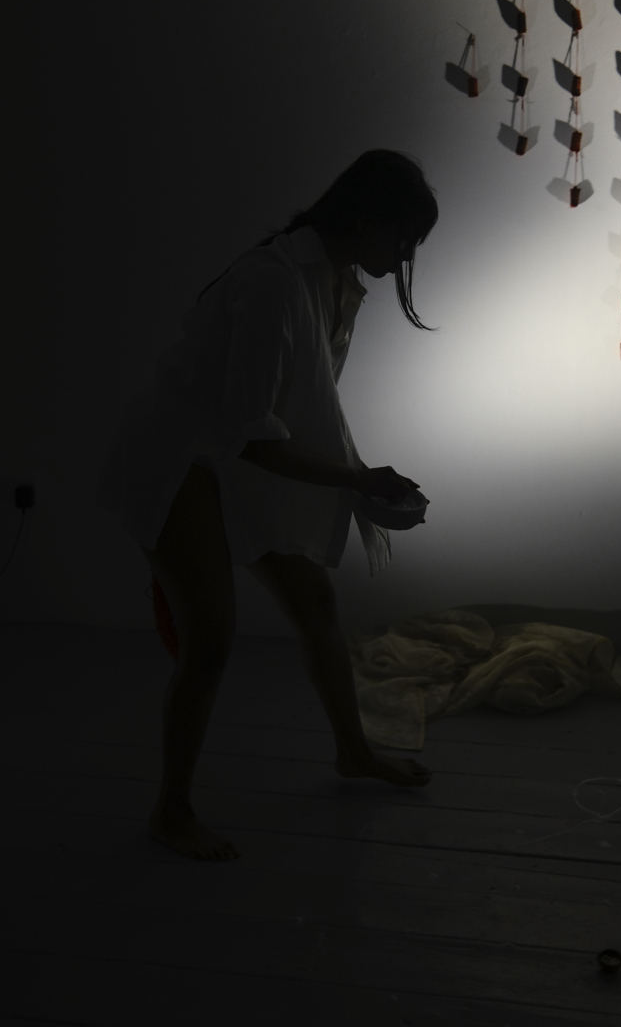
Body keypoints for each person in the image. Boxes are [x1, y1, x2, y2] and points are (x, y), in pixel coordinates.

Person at [95, 149, 439, 861]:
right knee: (211, 636)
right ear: (368, 219)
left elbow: (298, 408)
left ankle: (352, 751)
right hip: (178, 457)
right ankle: (171, 811)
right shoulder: (276, 284)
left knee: (314, 603)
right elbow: (251, 435)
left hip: (228, 454)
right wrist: (358, 480)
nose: (407, 255)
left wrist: (358, 477)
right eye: (404, 236)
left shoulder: (334, 281)